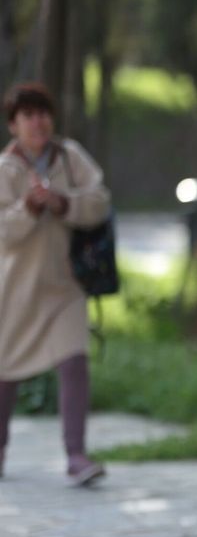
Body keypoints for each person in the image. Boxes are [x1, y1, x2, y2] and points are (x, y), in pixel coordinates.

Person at [0, 82, 110, 486]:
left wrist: (63, 203)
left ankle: (76, 455)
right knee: (4, 372)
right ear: (13, 125)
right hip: (15, 290)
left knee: (75, 362)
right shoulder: (4, 169)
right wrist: (28, 208)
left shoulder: (70, 157)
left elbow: (100, 201)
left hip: (66, 286)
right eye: (28, 115)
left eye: (43, 113)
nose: (38, 122)